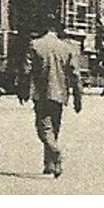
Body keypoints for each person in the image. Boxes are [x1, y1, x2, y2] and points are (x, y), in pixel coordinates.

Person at [18, 10, 84, 178]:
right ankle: (49, 165)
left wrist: (23, 90)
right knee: (54, 128)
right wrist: (78, 97)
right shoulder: (67, 48)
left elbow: (26, 71)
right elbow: (75, 75)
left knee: (43, 128)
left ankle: (55, 153)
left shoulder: (35, 45)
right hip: (61, 94)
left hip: (42, 93)